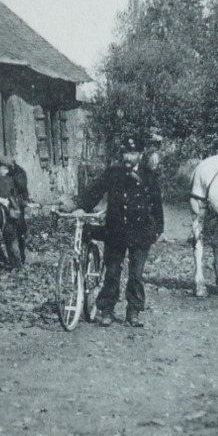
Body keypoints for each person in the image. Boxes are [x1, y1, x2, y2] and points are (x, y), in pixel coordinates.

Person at [80, 135, 165, 327]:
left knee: (136, 275)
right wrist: (80, 206)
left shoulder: (149, 177)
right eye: (125, 152)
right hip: (116, 232)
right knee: (111, 273)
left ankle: (133, 312)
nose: (128, 157)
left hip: (140, 233)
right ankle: (107, 310)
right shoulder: (113, 174)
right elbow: (95, 192)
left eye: (133, 153)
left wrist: (156, 229)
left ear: (141, 154)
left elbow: (156, 205)